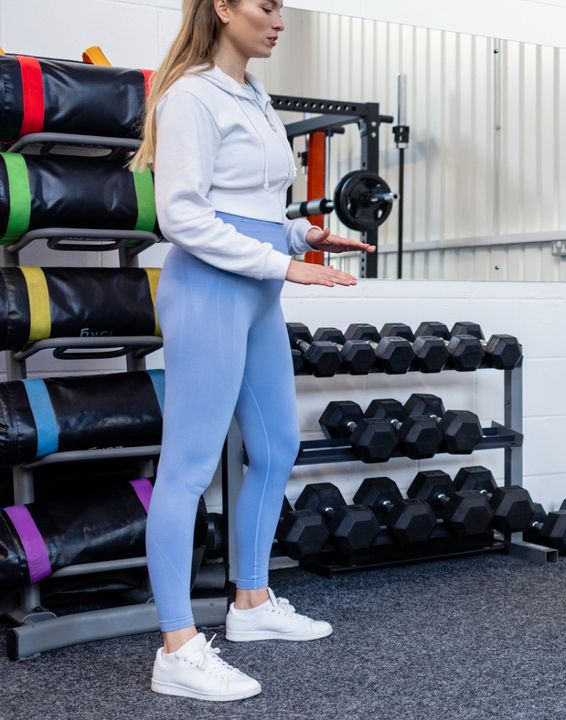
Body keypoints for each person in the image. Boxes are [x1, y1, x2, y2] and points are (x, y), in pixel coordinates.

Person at [130, 0, 372, 701]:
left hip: (256, 290)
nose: (279, 19)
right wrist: (285, 264)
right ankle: (176, 647)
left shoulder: (255, 98)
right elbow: (181, 214)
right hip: (208, 291)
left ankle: (252, 604)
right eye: (266, 5)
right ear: (223, 7)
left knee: (276, 449)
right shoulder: (191, 97)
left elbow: (252, 207)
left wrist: (301, 238)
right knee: (188, 467)